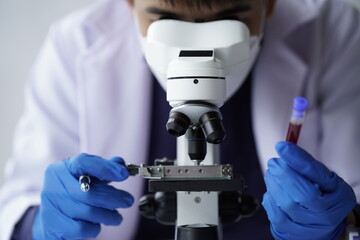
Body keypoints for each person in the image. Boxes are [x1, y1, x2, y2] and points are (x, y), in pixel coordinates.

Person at [0, 0, 359, 239]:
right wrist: (40, 226)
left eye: (231, 15)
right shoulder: (76, 43)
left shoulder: (335, 31)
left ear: (269, 3)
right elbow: (17, 202)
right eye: (166, 17)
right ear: (129, 2)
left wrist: (343, 228)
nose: (198, 44)